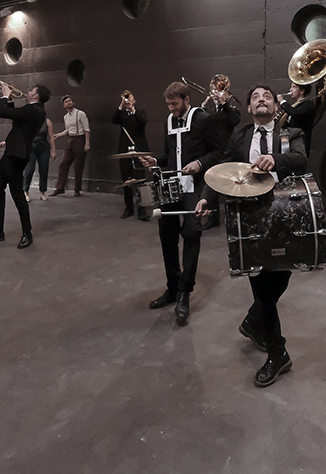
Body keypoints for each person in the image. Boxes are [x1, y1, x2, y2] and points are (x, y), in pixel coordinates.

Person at [195, 85, 307, 387]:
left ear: (275, 105)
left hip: (283, 216)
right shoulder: (240, 135)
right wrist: (207, 197)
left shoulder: (291, 133)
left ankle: (253, 324)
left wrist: (275, 160)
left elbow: (300, 160)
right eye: (255, 97)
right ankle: (277, 352)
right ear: (249, 108)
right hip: (248, 219)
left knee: (280, 280)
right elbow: (221, 167)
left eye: (266, 96)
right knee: (263, 290)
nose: (261, 99)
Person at [138, 82, 222, 326]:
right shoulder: (169, 120)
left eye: (174, 104)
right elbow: (169, 154)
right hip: (171, 184)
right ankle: (172, 289)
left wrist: (199, 163)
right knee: (167, 235)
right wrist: (155, 160)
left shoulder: (203, 119)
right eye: (168, 104)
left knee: (192, 231)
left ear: (187, 99)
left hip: (194, 185)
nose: (171, 108)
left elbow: (219, 152)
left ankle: (185, 292)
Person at [0, 83, 51, 249]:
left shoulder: (33, 110)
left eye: (31, 90)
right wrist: (10, 98)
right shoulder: (34, 110)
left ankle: (27, 233)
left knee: (17, 193)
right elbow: (15, 116)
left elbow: (2, 112)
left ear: (36, 96)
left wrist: (4, 95)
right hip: (12, 153)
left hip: (17, 156)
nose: (28, 91)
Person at [113, 91, 150, 221]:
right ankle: (128, 208)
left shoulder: (140, 112)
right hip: (124, 150)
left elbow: (143, 122)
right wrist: (121, 105)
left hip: (139, 149)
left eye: (130, 98)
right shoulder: (122, 114)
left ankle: (142, 209)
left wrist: (133, 110)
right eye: (127, 98)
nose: (128, 100)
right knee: (127, 180)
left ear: (135, 100)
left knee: (141, 180)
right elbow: (114, 120)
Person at [51, 95, 90, 196]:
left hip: (80, 139)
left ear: (73, 102)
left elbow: (86, 129)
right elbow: (68, 130)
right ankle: (60, 188)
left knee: (78, 166)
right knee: (63, 164)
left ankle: (77, 190)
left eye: (70, 101)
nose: (68, 102)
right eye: (66, 102)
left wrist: (87, 143)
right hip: (70, 140)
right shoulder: (66, 117)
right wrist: (58, 135)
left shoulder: (80, 114)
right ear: (64, 105)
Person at [23, 114, 56, 202]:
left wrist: (53, 150)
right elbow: (20, 134)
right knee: (29, 170)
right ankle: (25, 191)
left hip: (43, 148)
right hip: (31, 148)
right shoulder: (28, 121)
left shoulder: (47, 121)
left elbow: (51, 136)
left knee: (44, 170)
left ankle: (43, 192)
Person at [277, 82, 316, 156]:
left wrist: (282, 102)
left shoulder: (308, 104)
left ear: (302, 91)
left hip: (300, 144)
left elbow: (294, 113)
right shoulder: (295, 106)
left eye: (294, 87)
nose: (290, 89)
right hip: (289, 143)